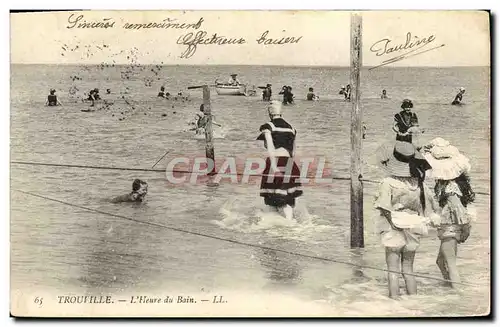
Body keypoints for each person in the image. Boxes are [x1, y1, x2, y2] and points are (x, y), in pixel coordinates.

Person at [374, 141, 439, 299]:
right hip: (414, 225)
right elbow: (430, 205)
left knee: (393, 270)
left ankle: (395, 305)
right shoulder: (418, 184)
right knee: (408, 269)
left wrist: (393, 224)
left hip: (394, 226)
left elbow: (384, 207)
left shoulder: (388, 183)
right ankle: (413, 303)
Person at [422, 138, 476, 288]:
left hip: (450, 228)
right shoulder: (451, 183)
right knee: (440, 262)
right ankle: (449, 290)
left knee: (451, 264)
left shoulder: (449, 187)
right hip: (451, 227)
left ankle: (456, 291)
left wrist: (466, 229)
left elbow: (457, 208)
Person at [256, 100, 303, 220]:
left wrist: (274, 165)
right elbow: (293, 151)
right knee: (287, 198)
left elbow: (270, 147)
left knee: (273, 199)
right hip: (290, 164)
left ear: (270, 113)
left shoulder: (268, 126)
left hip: (275, 162)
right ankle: (290, 221)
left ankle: (282, 224)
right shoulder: (292, 129)